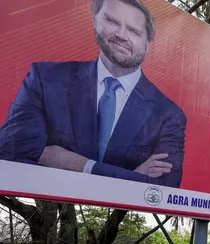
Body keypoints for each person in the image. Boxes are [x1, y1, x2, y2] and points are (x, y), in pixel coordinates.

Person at [0, 0, 186, 188]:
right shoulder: (45, 79)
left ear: (148, 44)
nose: (121, 35)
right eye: (112, 22)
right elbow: (10, 154)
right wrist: (131, 177)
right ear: (95, 21)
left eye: (134, 31)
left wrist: (76, 164)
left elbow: (164, 187)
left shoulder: (168, 114)